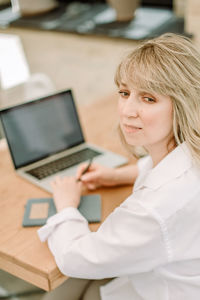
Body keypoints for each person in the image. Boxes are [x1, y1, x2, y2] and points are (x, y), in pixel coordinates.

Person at [38, 33, 200, 300]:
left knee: (64, 290)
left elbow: (75, 258)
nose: (127, 110)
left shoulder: (153, 208)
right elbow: (163, 167)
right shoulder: (188, 153)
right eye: (124, 93)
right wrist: (116, 175)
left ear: (185, 104)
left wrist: (66, 205)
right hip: (165, 272)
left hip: (164, 292)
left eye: (148, 98)